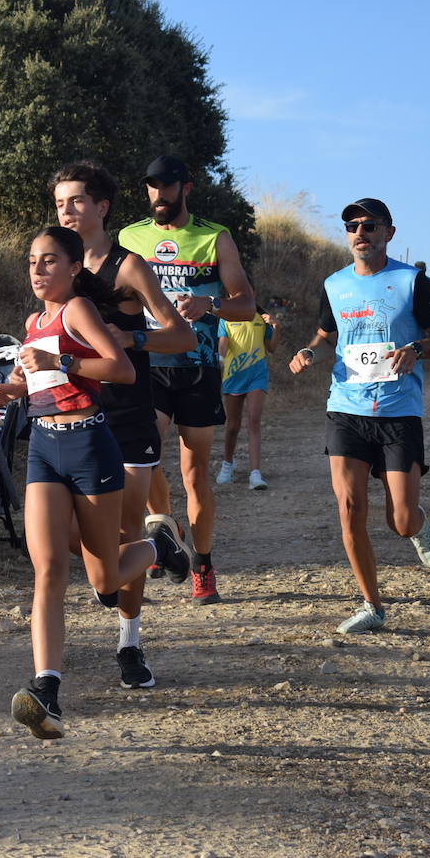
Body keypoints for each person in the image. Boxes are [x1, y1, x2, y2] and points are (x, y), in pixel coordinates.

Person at [0, 226, 190, 738]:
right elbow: (36, 381)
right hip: (44, 451)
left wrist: (63, 360)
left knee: (103, 579)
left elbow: (121, 370)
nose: (38, 269)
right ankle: (46, 688)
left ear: (74, 267)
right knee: (47, 569)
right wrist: (8, 390)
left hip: (90, 444)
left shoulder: (78, 310)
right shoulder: (33, 321)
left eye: (49, 260)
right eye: (32, 260)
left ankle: (159, 546)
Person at [48, 162, 196, 690]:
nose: (67, 210)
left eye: (77, 201)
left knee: (125, 531)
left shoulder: (128, 267)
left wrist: (130, 339)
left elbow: (182, 338)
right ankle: (153, 555)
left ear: (102, 207)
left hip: (129, 416)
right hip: (71, 417)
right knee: (67, 537)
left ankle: (129, 643)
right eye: (61, 202)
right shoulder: (55, 266)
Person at [288, 198, 430, 634]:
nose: (359, 232)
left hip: (399, 411)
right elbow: (326, 335)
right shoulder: (334, 284)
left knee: (399, 520)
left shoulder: (411, 281)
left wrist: (415, 349)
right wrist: (309, 350)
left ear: (388, 233)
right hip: (346, 407)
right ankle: (372, 605)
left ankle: (418, 527)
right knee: (349, 507)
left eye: (369, 225)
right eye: (352, 226)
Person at [118, 155, 255, 604]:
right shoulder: (130, 237)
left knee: (195, 476)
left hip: (197, 370)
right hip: (149, 365)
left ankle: (203, 564)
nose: (158, 195)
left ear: (185, 189)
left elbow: (245, 305)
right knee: (145, 455)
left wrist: (209, 306)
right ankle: (165, 526)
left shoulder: (214, 237)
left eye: (166, 186)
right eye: (151, 187)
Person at [216, 308, 276, 489]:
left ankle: (255, 474)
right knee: (233, 425)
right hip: (234, 374)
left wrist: (275, 326)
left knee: (254, 419)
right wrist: (219, 360)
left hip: (257, 374)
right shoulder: (226, 316)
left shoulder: (262, 317)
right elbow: (223, 345)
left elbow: (271, 348)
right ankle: (227, 464)